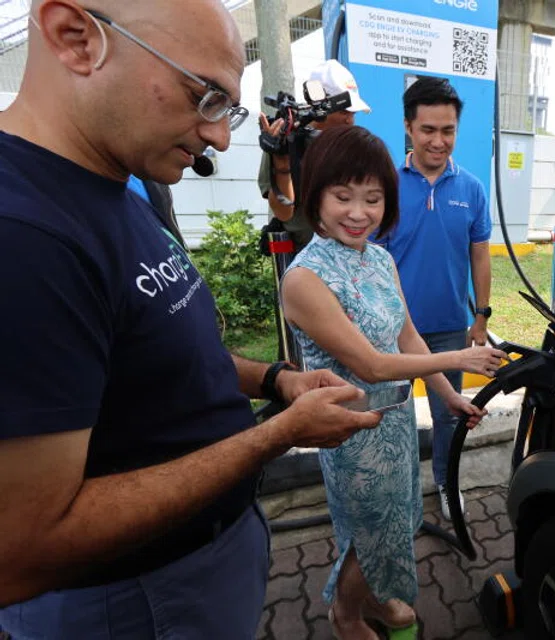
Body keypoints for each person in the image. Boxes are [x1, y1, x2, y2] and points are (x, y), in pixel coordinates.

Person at [0, 2, 380, 637]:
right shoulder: (24, 238)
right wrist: (274, 435)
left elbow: (153, 353)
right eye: (204, 96)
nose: (221, 138)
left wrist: (275, 382)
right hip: (138, 601)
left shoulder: (119, 182)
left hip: (197, 572)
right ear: (75, 38)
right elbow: (23, 548)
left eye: (227, 108)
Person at [280, 125, 505, 639]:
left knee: (400, 522)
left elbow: (407, 336)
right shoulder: (304, 279)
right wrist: (463, 356)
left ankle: (375, 601)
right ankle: (347, 612)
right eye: (343, 197)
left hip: (397, 422)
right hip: (352, 432)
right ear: (316, 195)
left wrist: (449, 396)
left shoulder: (379, 258)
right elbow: (373, 365)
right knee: (371, 531)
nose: (359, 213)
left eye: (373, 199)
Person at [377, 76, 493, 520]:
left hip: (449, 329)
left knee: (450, 414)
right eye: (428, 129)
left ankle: (446, 484)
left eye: (448, 130)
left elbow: (479, 257)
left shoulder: (472, 189)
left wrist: (479, 317)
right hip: (391, 333)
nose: (438, 141)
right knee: (394, 419)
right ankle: (400, 497)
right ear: (408, 127)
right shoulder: (385, 185)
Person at [258, 59, 372, 254]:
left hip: (345, 254)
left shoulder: (352, 148)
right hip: (301, 257)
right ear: (320, 103)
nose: (350, 119)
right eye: (344, 110)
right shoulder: (287, 142)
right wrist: (281, 160)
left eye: (353, 112)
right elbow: (283, 212)